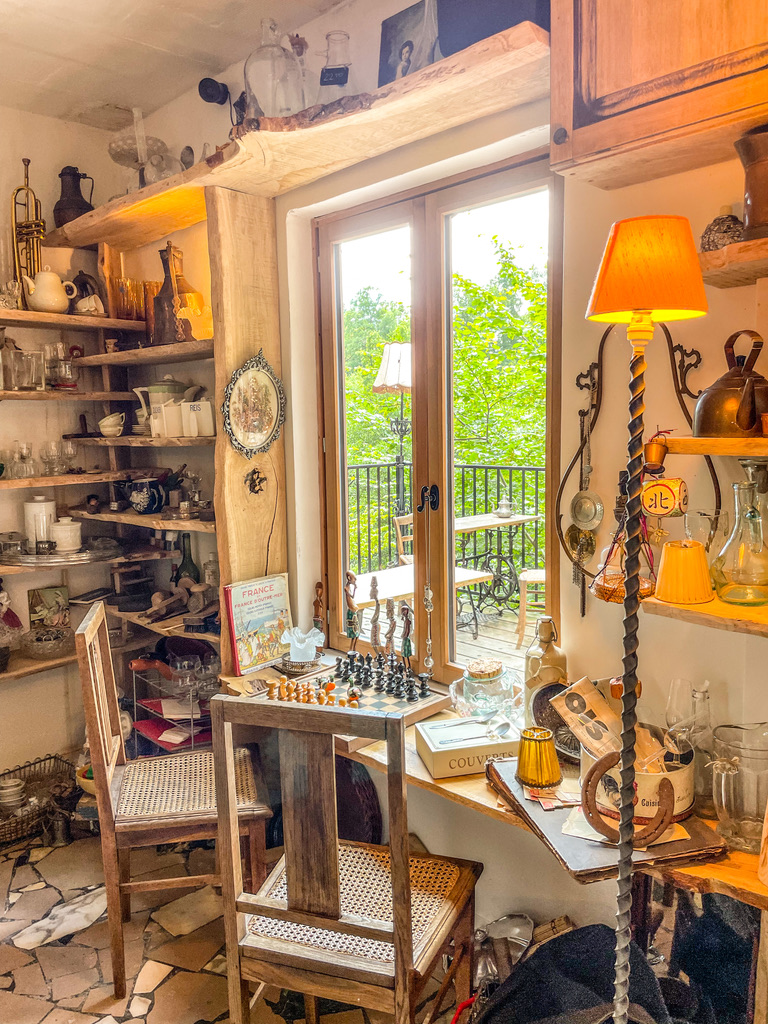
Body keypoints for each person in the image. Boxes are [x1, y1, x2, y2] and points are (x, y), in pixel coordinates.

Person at [344, 570, 360, 651]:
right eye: (354, 578)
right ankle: (351, 651)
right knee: (354, 634)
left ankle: (354, 650)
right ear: (349, 578)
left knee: (357, 634)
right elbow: (352, 596)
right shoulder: (346, 588)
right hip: (351, 611)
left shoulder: (349, 587)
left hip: (353, 610)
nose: (355, 580)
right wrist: (355, 589)